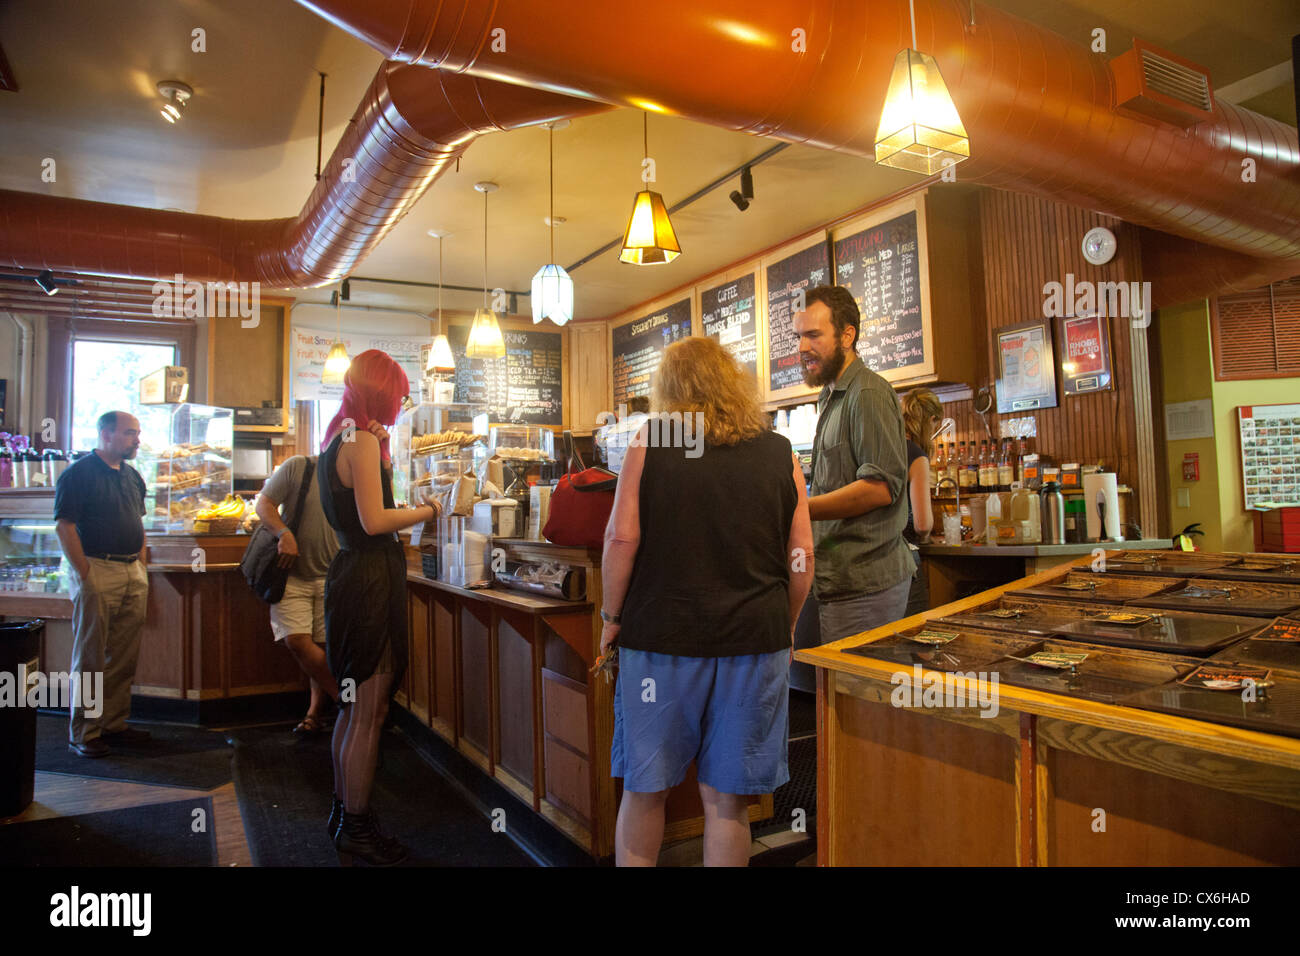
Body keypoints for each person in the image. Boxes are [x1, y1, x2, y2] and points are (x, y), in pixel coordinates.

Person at [600, 336, 814, 867]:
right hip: (754, 641)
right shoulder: (778, 449)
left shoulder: (653, 440)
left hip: (661, 642)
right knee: (727, 804)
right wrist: (784, 625)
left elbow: (621, 540)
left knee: (644, 790)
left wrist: (610, 619)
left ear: (668, 391)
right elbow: (802, 553)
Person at [317, 350, 440, 866]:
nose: (400, 402)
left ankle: (345, 810)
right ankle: (357, 829)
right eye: (396, 392)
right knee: (369, 713)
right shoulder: (361, 441)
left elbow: (357, 512)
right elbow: (374, 520)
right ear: (380, 390)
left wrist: (383, 454)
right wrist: (432, 509)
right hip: (369, 581)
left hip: (352, 576)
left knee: (353, 708)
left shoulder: (339, 439)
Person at [794, 285, 911, 643]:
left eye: (814, 335)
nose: (802, 347)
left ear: (847, 335)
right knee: (840, 696)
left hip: (866, 581)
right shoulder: (831, 395)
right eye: (799, 336)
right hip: (841, 578)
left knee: (857, 696)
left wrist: (801, 509)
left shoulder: (868, 393)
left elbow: (879, 487)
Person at [54, 410, 150, 758]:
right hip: (97, 569)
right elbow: (64, 526)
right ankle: (85, 731)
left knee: (124, 655)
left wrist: (140, 564)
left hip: (131, 571)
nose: (136, 439)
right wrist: (85, 573)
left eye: (137, 433)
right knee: (91, 656)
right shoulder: (78, 475)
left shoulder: (132, 476)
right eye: (129, 433)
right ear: (105, 434)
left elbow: (140, 523)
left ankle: (114, 723)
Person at [255, 452, 340, 735]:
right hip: (290, 574)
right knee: (297, 641)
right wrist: (284, 533)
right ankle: (347, 702)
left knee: (322, 644)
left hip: (334, 575)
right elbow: (264, 503)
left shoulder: (356, 473)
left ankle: (315, 712)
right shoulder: (299, 467)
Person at [900, 388, 943, 617]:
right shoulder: (915, 454)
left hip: (877, 557)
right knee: (915, 638)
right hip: (905, 557)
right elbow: (922, 524)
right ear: (931, 420)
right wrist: (928, 537)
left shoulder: (885, 448)